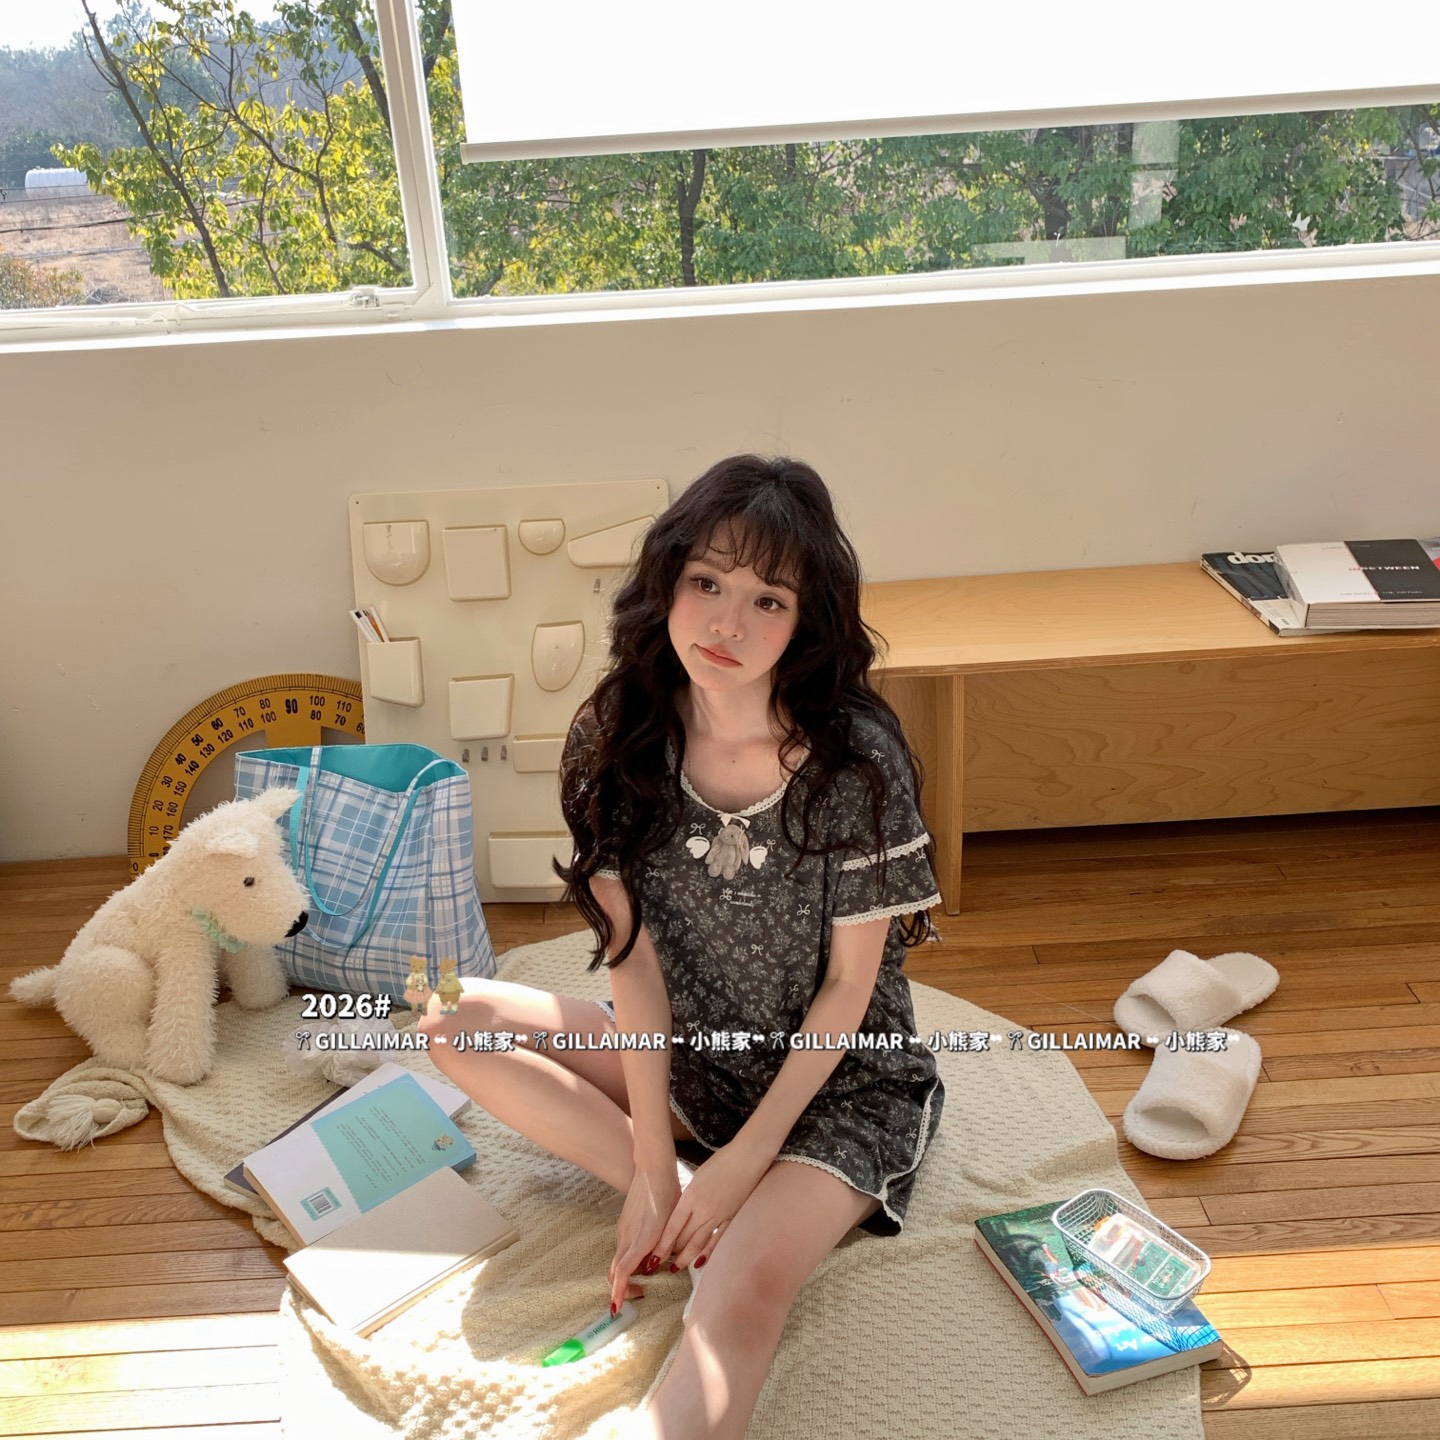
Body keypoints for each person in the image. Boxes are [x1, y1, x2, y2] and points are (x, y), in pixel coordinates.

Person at [417, 455, 943, 1439]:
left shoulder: (853, 762)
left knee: (737, 1300)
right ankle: (683, 1193)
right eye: (707, 583)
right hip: (694, 1055)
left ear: (806, 621)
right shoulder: (619, 736)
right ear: (667, 583)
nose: (726, 624)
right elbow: (637, 964)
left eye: (767, 600)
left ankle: (728, 1206)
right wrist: (656, 1167)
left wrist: (748, 1161)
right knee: (453, 1017)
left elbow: (849, 987)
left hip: (838, 1086)